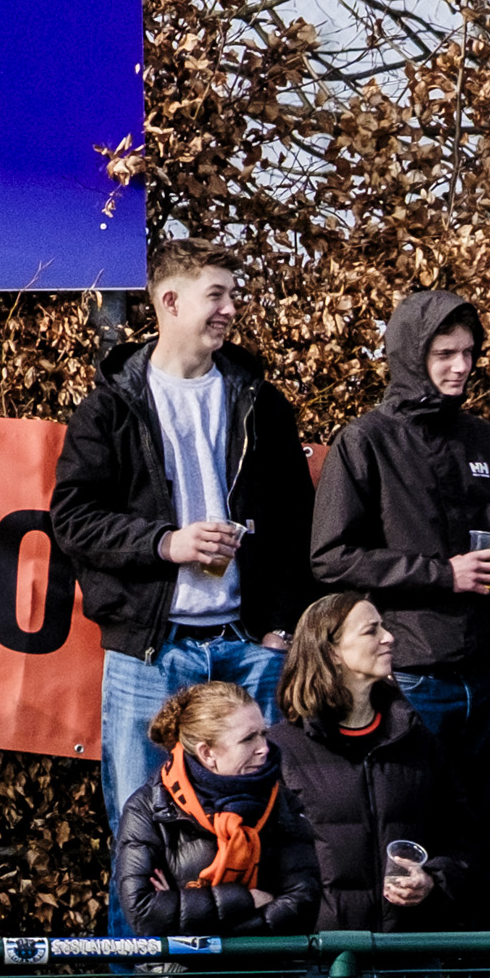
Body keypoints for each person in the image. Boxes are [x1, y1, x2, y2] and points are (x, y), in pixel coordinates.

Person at [51, 243, 318, 929]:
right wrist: (165, 544)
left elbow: (298, 526)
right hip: (151, 653)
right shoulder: (110, 406)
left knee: (269, 841)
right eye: (217, 294)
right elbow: (73, 518)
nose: (231, 309)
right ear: (168, 302)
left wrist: (279, 626)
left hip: (249, 648)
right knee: (140, 844)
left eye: (233, 294)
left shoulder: (261, 403)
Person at [309, 290, 490, 978]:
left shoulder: (488, 443)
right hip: (410, 680)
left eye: (469, 353)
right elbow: (330, 558)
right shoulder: (365, 440)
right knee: (413, 856)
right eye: (444, 353)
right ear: (411, 355)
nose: (460, 366)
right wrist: (441, 574)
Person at [270, 594, 475, 978]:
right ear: (331, 650)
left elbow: (462, 833)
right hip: (320, 964)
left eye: (385, 626)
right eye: (371, 630)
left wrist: (434, 879)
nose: (389, 637)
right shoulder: (281, 749)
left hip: (410, 953)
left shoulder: (418, 737)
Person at [112, 682, 324, 978]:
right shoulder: (150, 809)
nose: (265, 747)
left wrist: (194, 923)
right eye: (248, 739)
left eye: (264, 733)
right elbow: (144, 913)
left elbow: (303, 905)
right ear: (208, 753)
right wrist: (248, 899)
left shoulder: (280, 802)